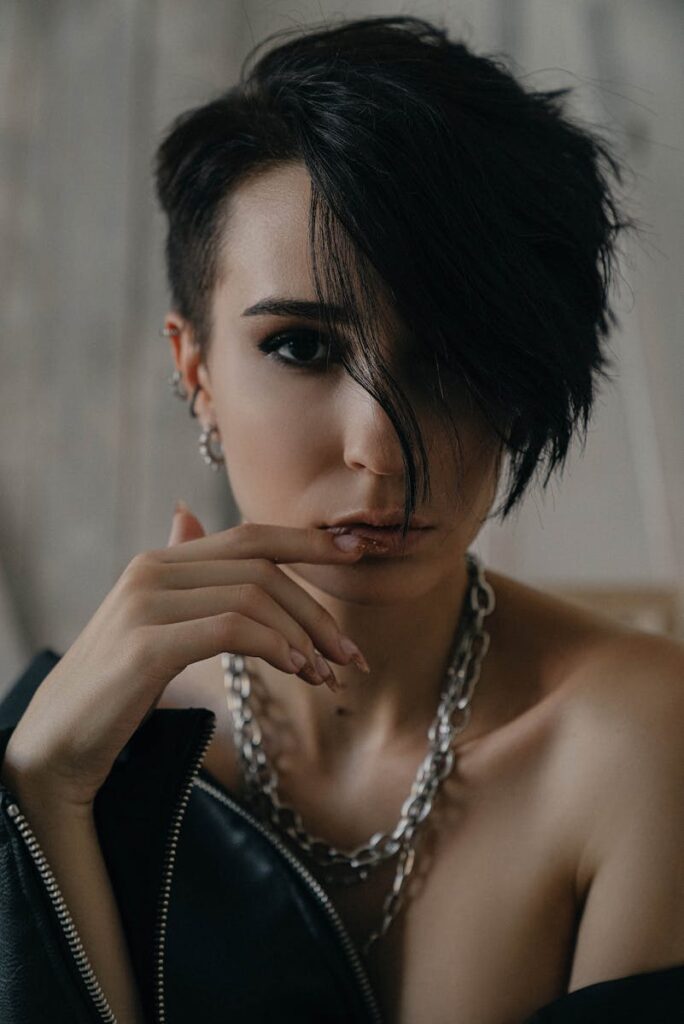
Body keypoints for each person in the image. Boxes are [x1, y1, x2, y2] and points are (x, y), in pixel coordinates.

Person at [1, 14, 682, 1024]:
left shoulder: (639, 740)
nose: (380, 446)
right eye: (302, 348)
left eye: (449, 356)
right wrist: (45, 801)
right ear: (196, 372)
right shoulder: (67, 740)